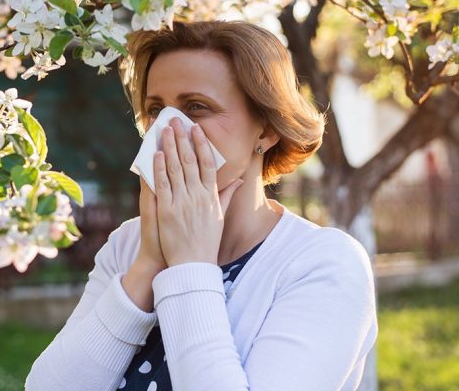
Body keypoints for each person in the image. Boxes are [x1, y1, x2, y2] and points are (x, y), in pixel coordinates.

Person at [25, 20, 378, 391]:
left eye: (196, 107)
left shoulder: (322, 264)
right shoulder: (129, 244)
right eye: (156, 110)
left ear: (266, 128)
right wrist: (148, 264)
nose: (168, 129)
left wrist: (190, 264)